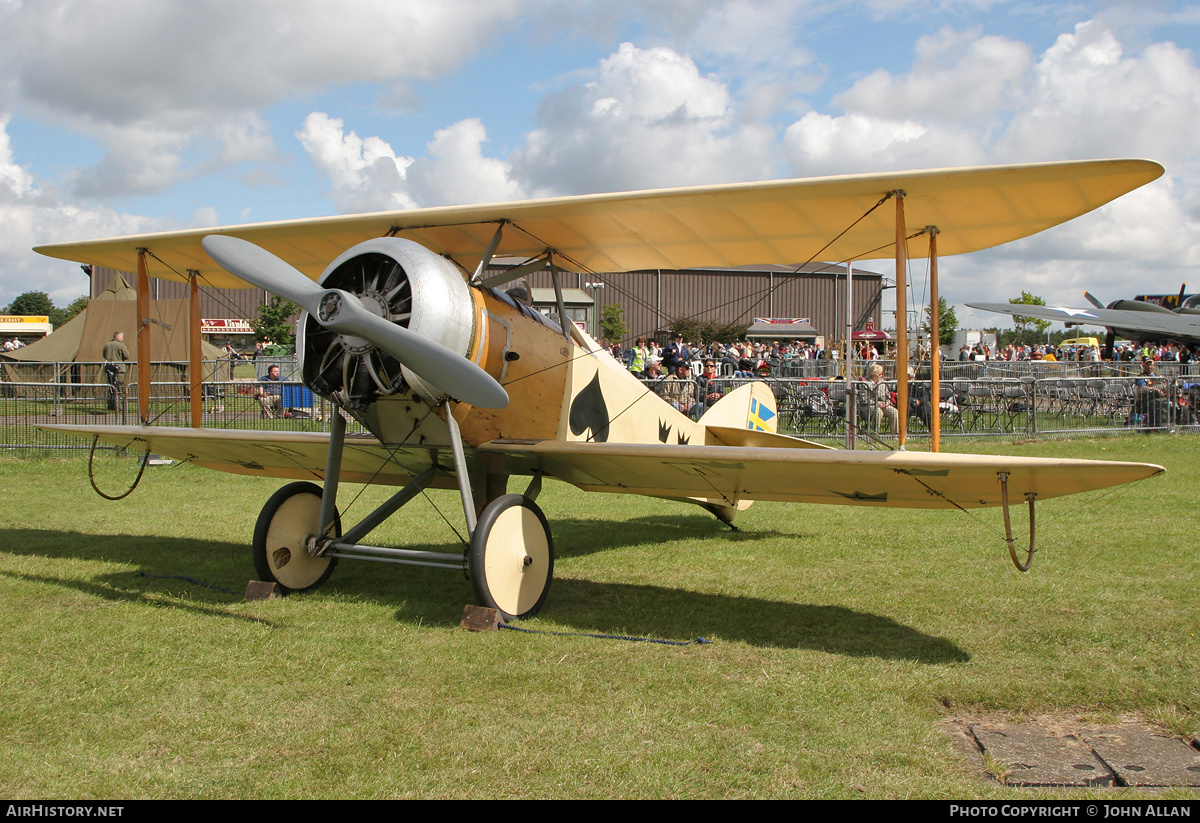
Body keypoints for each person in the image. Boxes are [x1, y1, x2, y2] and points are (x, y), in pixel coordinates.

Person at [101, 331, 131, 411]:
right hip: (119, 369)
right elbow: (127, 355)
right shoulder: (121, 345)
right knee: (119, 386)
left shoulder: (107, 345)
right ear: (118, 337)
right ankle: (118, 406)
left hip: (109, 368)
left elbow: (104, 355)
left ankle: (110, 404)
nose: (123, 339)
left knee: (111, 387)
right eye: (122, 337)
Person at [865, 362, 898, 433]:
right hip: (869, 406)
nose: (881, 376)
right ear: (875, 375)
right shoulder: (865, 384)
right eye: (880, 374)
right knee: (878, 412)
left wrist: (888, 402)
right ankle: (875, 433)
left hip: (883, 405)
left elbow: (888, 396)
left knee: (894, 412)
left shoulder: (883, 383)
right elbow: (864, 399)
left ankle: (895, 434)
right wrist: (877, 403)